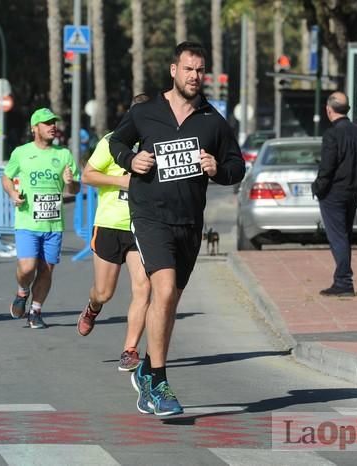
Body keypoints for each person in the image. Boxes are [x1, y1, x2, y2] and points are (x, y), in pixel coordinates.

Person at [110, 41, 245, 415]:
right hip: (150, 215)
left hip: (189, 222)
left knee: (168, 304)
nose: (194, 76)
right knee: (163, 289)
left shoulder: (212, 121)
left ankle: (149, 376)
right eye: (188, 69)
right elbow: (116, 142)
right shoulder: (146, 111)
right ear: (174, 70)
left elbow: (237, 167)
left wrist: (219, 169)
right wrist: (129, 158)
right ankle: (160, 380)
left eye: (200, 70)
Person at [78, 94, 151, 372]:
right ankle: (92, 308)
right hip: (110, 224)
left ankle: (130, 349)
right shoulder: (112, 140)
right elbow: (88, 175)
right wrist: (122, 181)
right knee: (104, 292)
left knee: (143, 288)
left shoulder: (156, 145)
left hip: (142, 226)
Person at [2, 108, 80, 329]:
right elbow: (6, 177)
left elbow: (75, 189)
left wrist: (71, 182)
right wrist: (12, 193)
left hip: (53, 224)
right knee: (27, 268)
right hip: (27, 221)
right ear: (34, 128)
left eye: (53, 122)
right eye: (46, 123)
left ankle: (35, 311)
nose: (52, 126)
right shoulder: (21, 152)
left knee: (47, 270)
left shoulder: (63, 154)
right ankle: (22, 291)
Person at [311, 91, 357, 297]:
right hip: (354, 191)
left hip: (334, 193)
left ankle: (344, 281)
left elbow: (327, 167)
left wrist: (318, 188)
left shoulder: (332, 135)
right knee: (344, 235)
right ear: (348, 110)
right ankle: (343, 279)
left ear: (329, 110)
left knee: (338, 237)